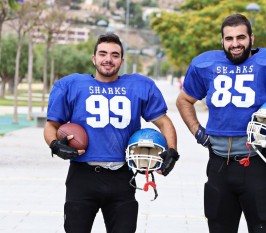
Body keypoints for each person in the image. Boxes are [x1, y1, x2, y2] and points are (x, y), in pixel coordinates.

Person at [176, 13, 266, 233]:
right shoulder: (206, 64)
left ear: (251, 37)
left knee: (263, 227)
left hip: (258, 162)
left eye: (240, 37)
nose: (235, 44)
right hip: (219, 163)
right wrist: (197, 131)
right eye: (229, 39)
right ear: (222, 41)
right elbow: (184, 100)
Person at [43, 33, 179, 233]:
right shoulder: (72, 85)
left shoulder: (139, 86)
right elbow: (51, 125)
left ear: (122, 61)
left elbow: (164, 122)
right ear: (94, 58)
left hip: (121, 177)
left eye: (115, 55)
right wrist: (54, 144)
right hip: (82, 176)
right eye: (103, 53)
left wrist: (173, 151)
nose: (108, 59)